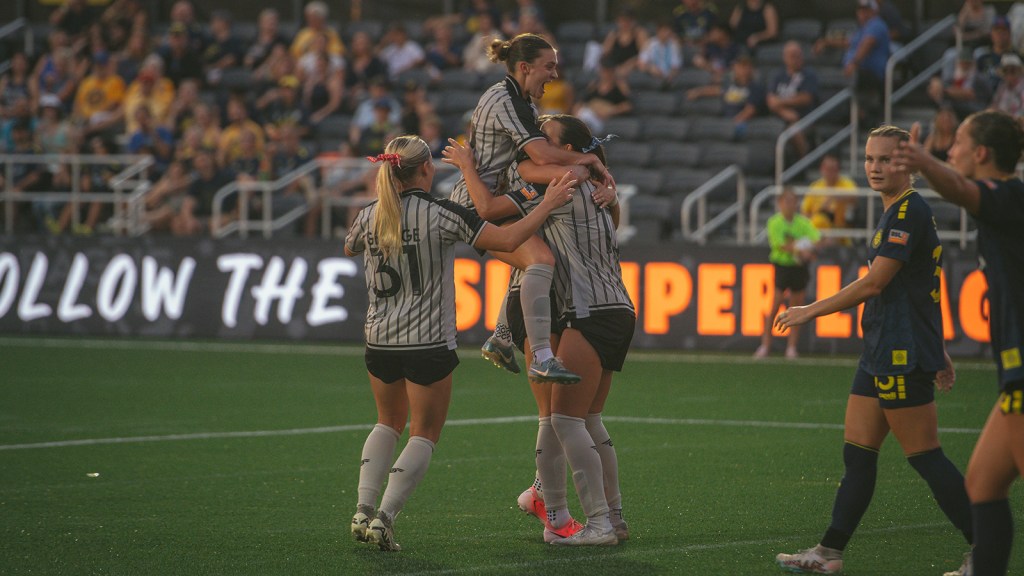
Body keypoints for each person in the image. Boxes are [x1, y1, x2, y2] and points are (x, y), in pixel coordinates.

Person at [346, 135, 576, 552]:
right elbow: (506, 241)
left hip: (378, 339)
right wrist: (546, 203)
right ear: (426, 169)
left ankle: (362, 508)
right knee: (424, 433)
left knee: (386, 422)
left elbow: (349, 246)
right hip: (427, 341)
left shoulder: (369, 215)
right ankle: (385, 518)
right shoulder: (440, 213)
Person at [773, 125, 972, 575]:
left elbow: (877, 282)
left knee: (926, 456)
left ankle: (984, 548)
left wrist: (811, 310)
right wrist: (939, 348)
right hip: (881, 349)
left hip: (901, 352)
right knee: (858, 455)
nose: (875, 167)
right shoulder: (896, 211)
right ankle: (829, 553)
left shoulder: (907, 213)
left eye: (886, 159)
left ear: (906, 164)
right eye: (869, 159)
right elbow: (920, 289)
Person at [444, 114, 631, 546]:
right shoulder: (594, 186)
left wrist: (471, 168)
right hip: (618, 308)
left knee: (561, 420)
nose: (533, 144)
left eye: (544, 139)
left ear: (566, 149)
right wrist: (597, 171)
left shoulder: (561, 180)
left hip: (586, 310)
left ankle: (595, 522)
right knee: (589, 420)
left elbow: (490, 211)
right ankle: (612, 517)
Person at [893, 109, 1024, 576]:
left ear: (982, 153)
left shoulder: (1008, 195)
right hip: (1015, 374)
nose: (953, 150)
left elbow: (963, 190)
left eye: (960, 142)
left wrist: (923, 160)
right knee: (983, 483)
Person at [451, 33, 613, 383]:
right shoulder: (503, 98)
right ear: (524, 67)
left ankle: (503, 337)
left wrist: (598, 180)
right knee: (540, 260)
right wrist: (585, 160)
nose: (554, 75)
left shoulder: (522, 102)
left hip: (498, 197)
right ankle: (541, 356)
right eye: (549, 66)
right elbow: (540, 154)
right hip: (479, 203)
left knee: (535, 258)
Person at [754, 187, 818, 360]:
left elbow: (816, 239)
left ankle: (791, 347)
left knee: (797, 307)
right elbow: (780, 245)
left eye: (793, 201)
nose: (790, 205)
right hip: (782, 266)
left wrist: (808, 250)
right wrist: (800, 250)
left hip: (798, 268)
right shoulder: (775, 222)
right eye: (786, 201)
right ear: (780, 203)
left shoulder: (803, 223)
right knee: (775, 304)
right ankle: (765, 344)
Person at [815, 0, 890, 126]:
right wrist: (826, 41)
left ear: (874, 11)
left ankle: (862, 116)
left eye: (866, 10)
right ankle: (855, 116)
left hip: (871, 74)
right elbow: (849, 42)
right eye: (860, 10)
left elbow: (867, 43)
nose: (862, 13)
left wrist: (854, 63)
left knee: (845, 80)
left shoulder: (876, 24)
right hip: (859, 72)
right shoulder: (863, 28)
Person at [766, 41, 818, 159]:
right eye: (792, 56)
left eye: (798, 55)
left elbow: (806, 98)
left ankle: (804, 162)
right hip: (780, 117)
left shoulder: (809, 75)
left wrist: (780, 102)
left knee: (794, 130)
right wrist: (784, 112)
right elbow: (770, 101)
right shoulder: (778, 76)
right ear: (785, 58)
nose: (796, 59)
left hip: (803, 119)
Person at [802, 153, 857, 245]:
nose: (830, 172)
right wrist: (822, 210)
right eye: (827, 169)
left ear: (838, 170)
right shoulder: (815, 187)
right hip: (816, 230)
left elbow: (854, 198)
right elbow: (805, 212)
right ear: (822, 169)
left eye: (833, 169)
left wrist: (834, 197)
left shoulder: (846, 184)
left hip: (838, 229)